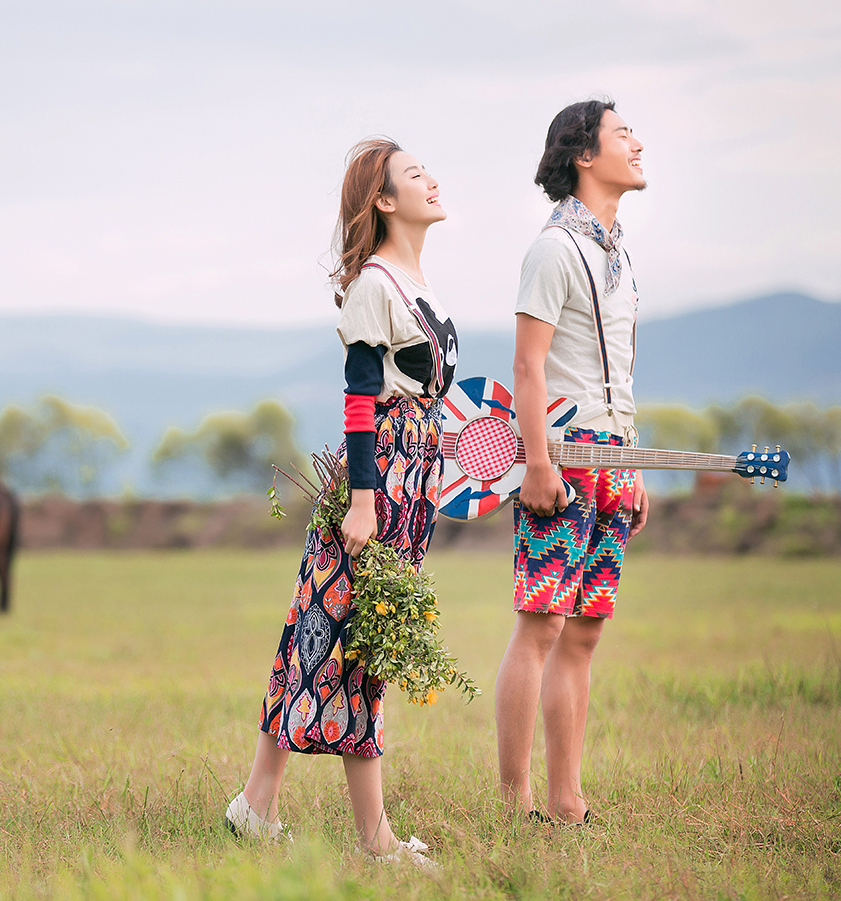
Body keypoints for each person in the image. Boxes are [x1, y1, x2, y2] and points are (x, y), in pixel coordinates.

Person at [224, 138, 458, 866]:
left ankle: (253, 806)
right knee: (362, 640)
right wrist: (364, 502)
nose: (432, 179)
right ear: (384, 201)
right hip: (376, 480)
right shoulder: (375, 286)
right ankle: (375, 838)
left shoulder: (420, 285)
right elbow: (361, 403)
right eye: (415, 175)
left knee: (319, 628)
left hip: (409, 481)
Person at [494, 98, 650, 824]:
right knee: (542, 624)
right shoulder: (554, 247)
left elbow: (617, 370)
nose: (637, 143)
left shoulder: (616, 254)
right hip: (559, 456)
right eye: (623, 133)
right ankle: (515, 798)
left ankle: (566, 799)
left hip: (615, 458)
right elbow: (529, 366)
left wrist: (637, 462)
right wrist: (535, 464)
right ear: (585, 155)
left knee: (583, 630)